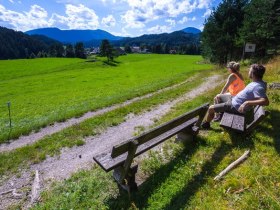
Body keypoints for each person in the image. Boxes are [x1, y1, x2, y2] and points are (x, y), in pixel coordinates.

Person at [201, 64, 269, 129]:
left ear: (253, 73)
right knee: (219, 97)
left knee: (210, 108)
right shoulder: (258, 82)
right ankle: (220, 114)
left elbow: (266, 101)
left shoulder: (258, 87)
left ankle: (206, 124)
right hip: (234, 100)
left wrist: (247, 102)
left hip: (234, 106)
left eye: (250, 71)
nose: (248, 72)